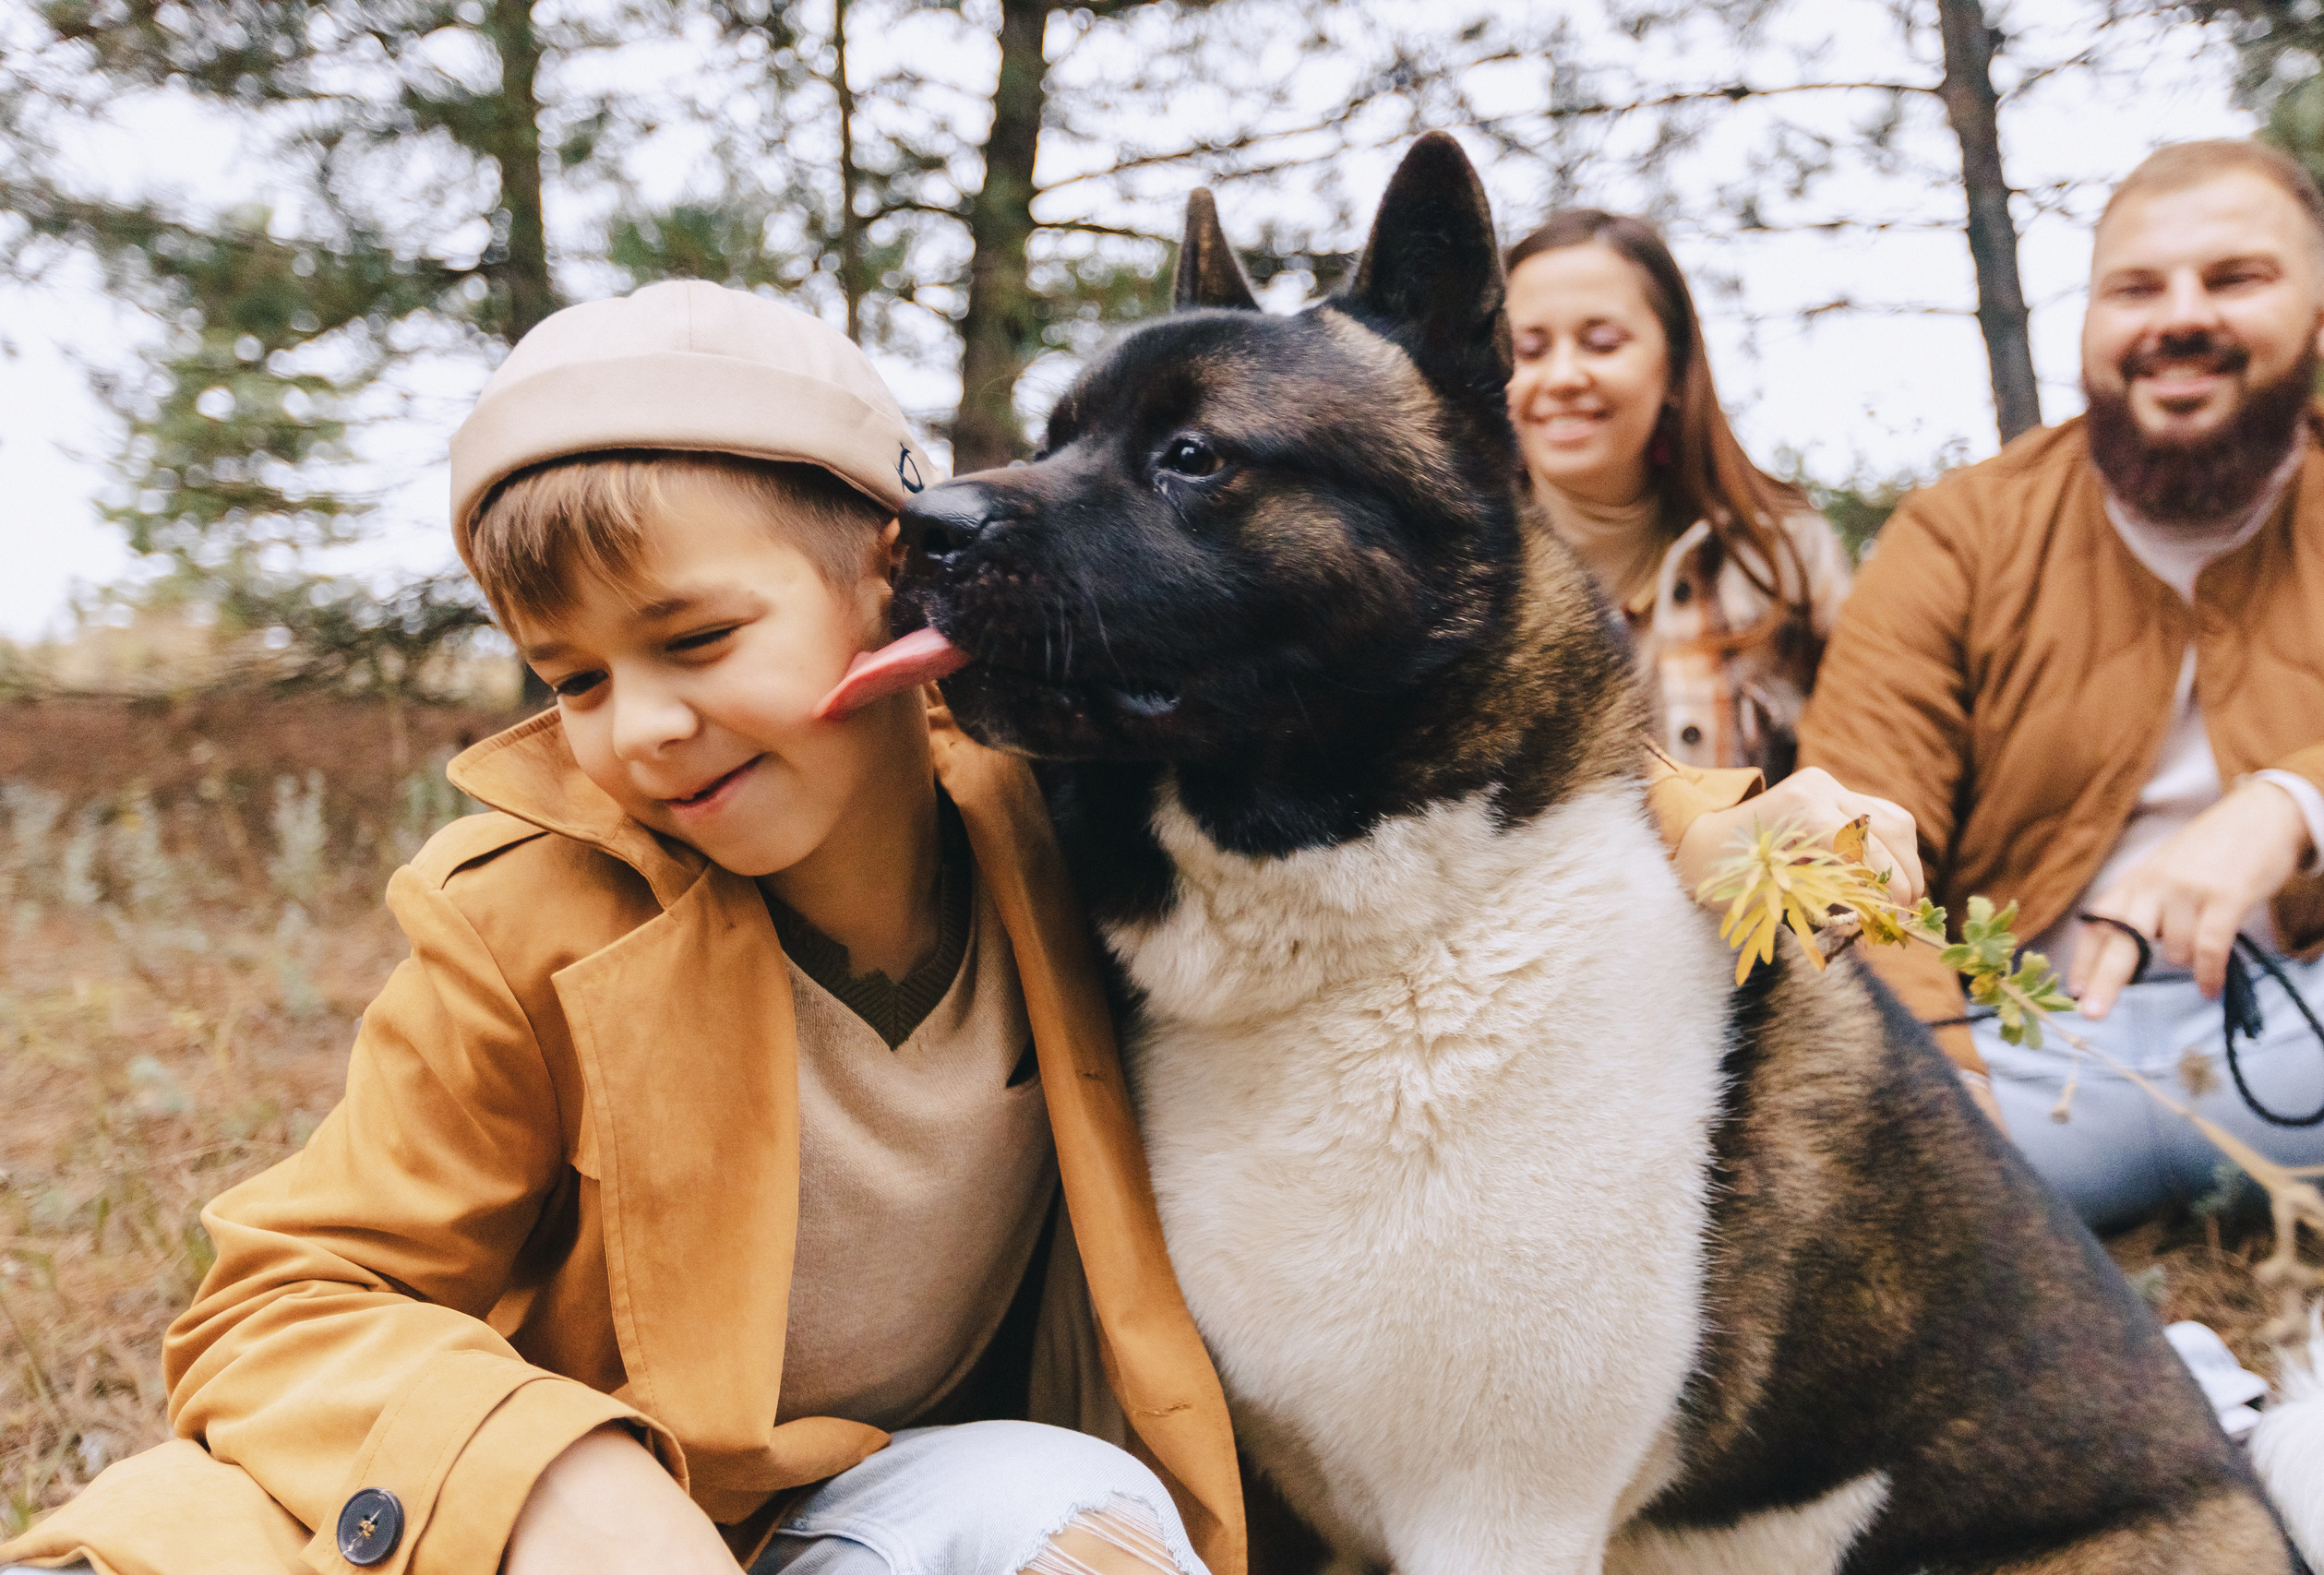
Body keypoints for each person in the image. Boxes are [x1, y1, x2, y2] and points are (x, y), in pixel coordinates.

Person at [0, 281, 1245, 1575]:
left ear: (895, 574)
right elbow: (285, 1298)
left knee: (1071, 1516)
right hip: (550, 1529)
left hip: (866, 1508)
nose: (639, 726)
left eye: (697, 637)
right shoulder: (522, 916)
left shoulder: (1066, 829)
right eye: (573, 678)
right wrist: (554, 1477)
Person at [1800, 139, 2324, 1231]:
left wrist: (2300, 805)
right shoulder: (1959, 535)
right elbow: (1851, 840)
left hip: (2323, 1033)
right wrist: (1941, 1114)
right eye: (2136, 289)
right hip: (2023, 1068)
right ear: (2092, 325)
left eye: (2234, 278)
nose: (2179, 318)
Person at [1506, 209, 1856, 782]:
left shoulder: (1788, 556)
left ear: (1673, 370)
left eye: (1601, 342)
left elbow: (1869, 762)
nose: (1563, 376)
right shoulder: (1457, 577)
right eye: (1528, 349)